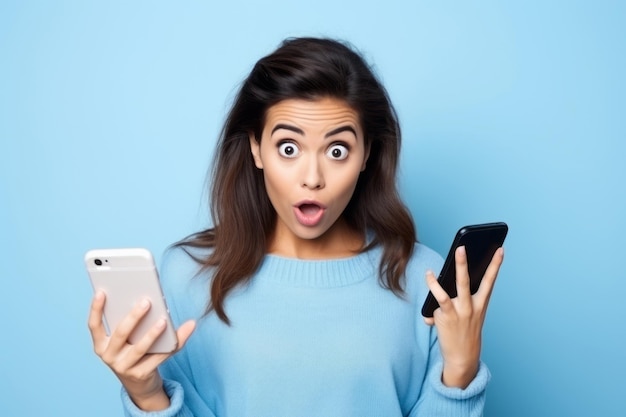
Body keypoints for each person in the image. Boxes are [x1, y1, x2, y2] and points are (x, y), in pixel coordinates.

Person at [88, 37, 504, 417]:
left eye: (337, 150)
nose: (312, 177)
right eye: (289, 148)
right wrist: (147, 395)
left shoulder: (424, 280)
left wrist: (461, 372)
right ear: (256, 148)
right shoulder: (189, 275)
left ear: (366, 157)